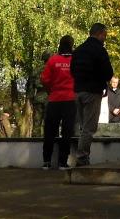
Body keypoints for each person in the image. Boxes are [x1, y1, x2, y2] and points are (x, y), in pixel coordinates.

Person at [70, 23, 114, 167]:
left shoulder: (78, 50)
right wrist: (100, 82)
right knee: (89, 128)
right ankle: (82, 158)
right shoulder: (99, 50)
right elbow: (108, 73)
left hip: (78, 91)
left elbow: (72, 71)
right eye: (105, 35)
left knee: (83, 127)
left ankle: (81, 155)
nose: (105, 38)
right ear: (100, 33)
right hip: (92, 92)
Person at [40, 35, 76, 169]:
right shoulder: (75, 60)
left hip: (54, 100)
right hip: (70, 100)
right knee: (67, 132)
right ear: (72, 45)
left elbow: (44, 79)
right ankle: (62, 162)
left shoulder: (53, 60)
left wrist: (51, 90)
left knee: (49, 130)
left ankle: (46, 161)